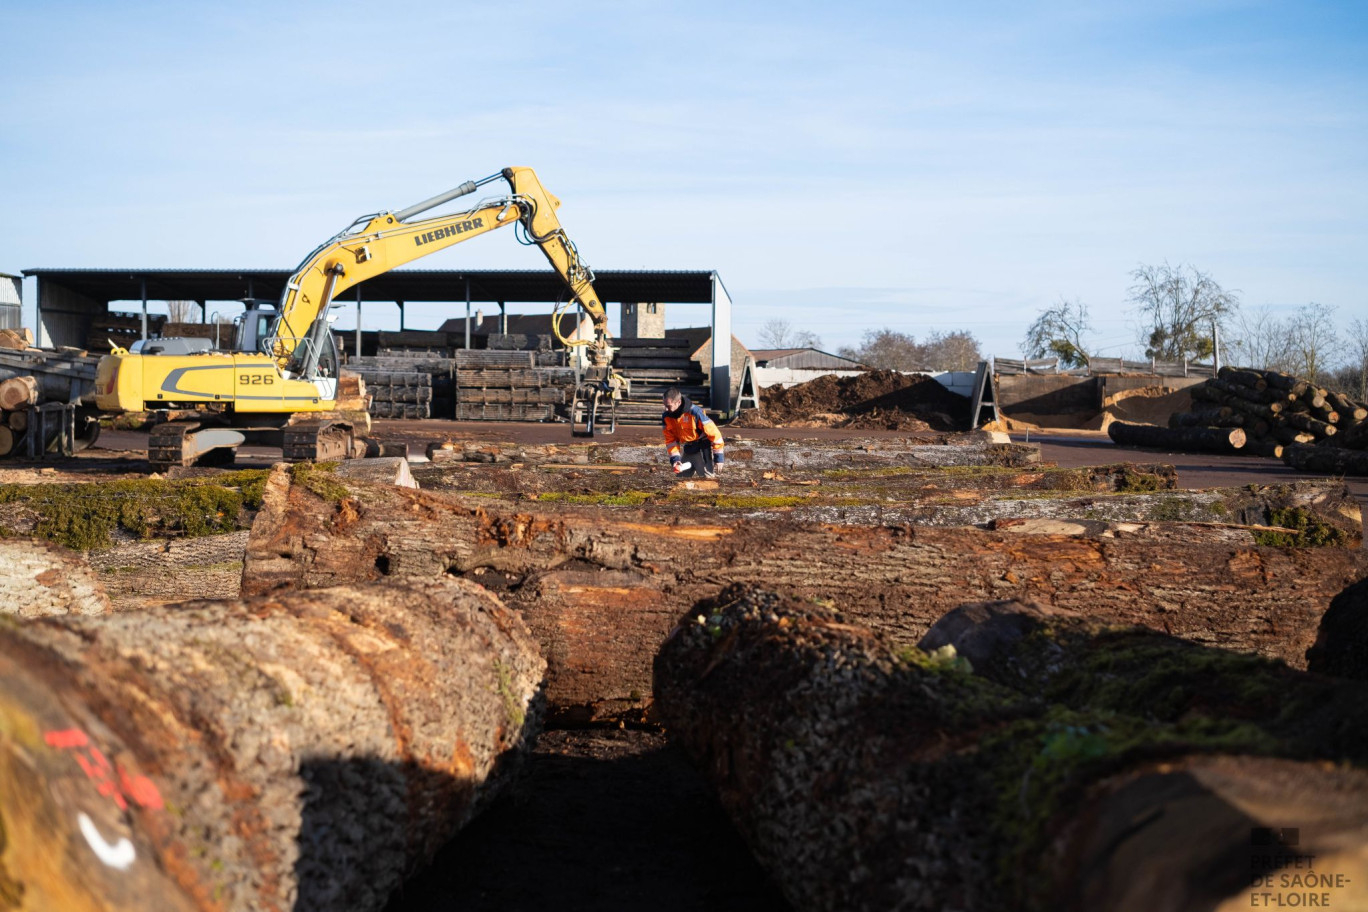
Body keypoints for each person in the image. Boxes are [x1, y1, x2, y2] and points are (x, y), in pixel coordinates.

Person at [661, 387, 724, 478]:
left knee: (707, 480)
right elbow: (671, 441)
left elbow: (715, 434)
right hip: (689, 449)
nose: (666, 409)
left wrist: (718, 458)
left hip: (703, 448)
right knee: (681, 479)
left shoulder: (695, 412)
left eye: (669, 406)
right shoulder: (666, 417)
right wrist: (676, 460)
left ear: (678, 402)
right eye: (665, 405)